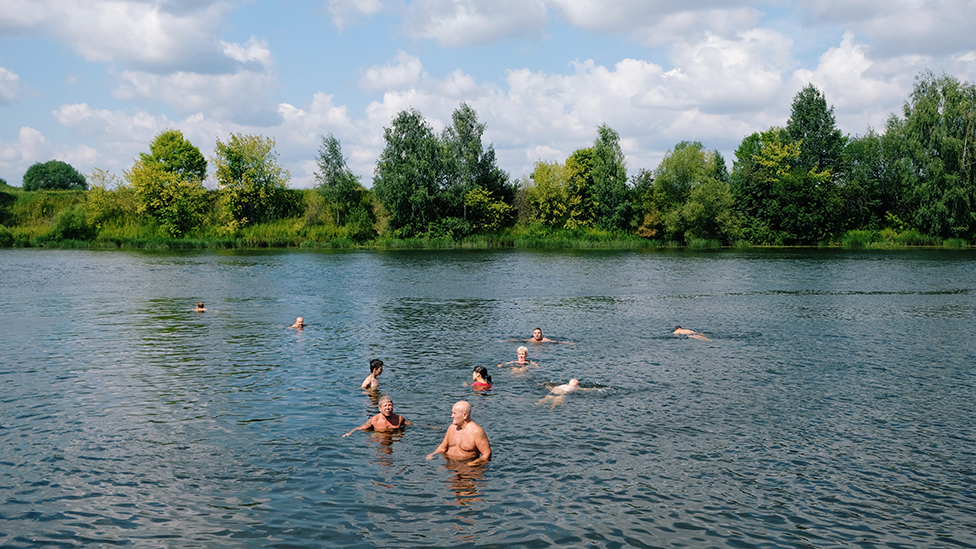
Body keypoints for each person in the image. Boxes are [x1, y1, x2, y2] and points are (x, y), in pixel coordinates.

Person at [426, 401, 491, 467]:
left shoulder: (477, 432)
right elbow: (442, 448)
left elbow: (486, 454)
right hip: (449, 463)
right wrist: (432, 454)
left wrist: (473, 464)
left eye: (454, 413)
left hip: (467, 466)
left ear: (465, 415)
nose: (452, 416)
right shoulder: (451, 428)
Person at [343, 395, 410, 437]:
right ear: (380, 408)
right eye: (385, 406)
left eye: (390, 405)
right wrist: (349, 433)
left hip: (394, 439)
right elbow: (359, 428)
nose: (388, 408)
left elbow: (411, 425)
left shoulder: (399, 419)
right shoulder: (374, 420)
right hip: (379, 438)